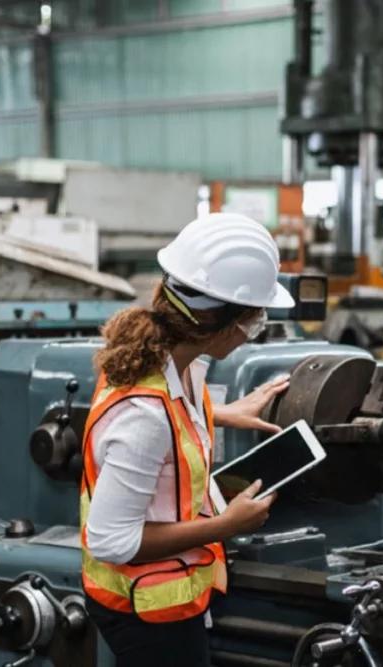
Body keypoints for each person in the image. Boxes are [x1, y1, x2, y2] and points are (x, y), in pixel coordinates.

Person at [80, 213, 295, 666]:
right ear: (221, 325)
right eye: (254, 323)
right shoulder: (145, 415)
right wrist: (226, 525)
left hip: (163, 599)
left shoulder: (173, 363)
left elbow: (165, 416)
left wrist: (222, 414)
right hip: (144, 612)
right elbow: (110, 541)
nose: (247, 337)